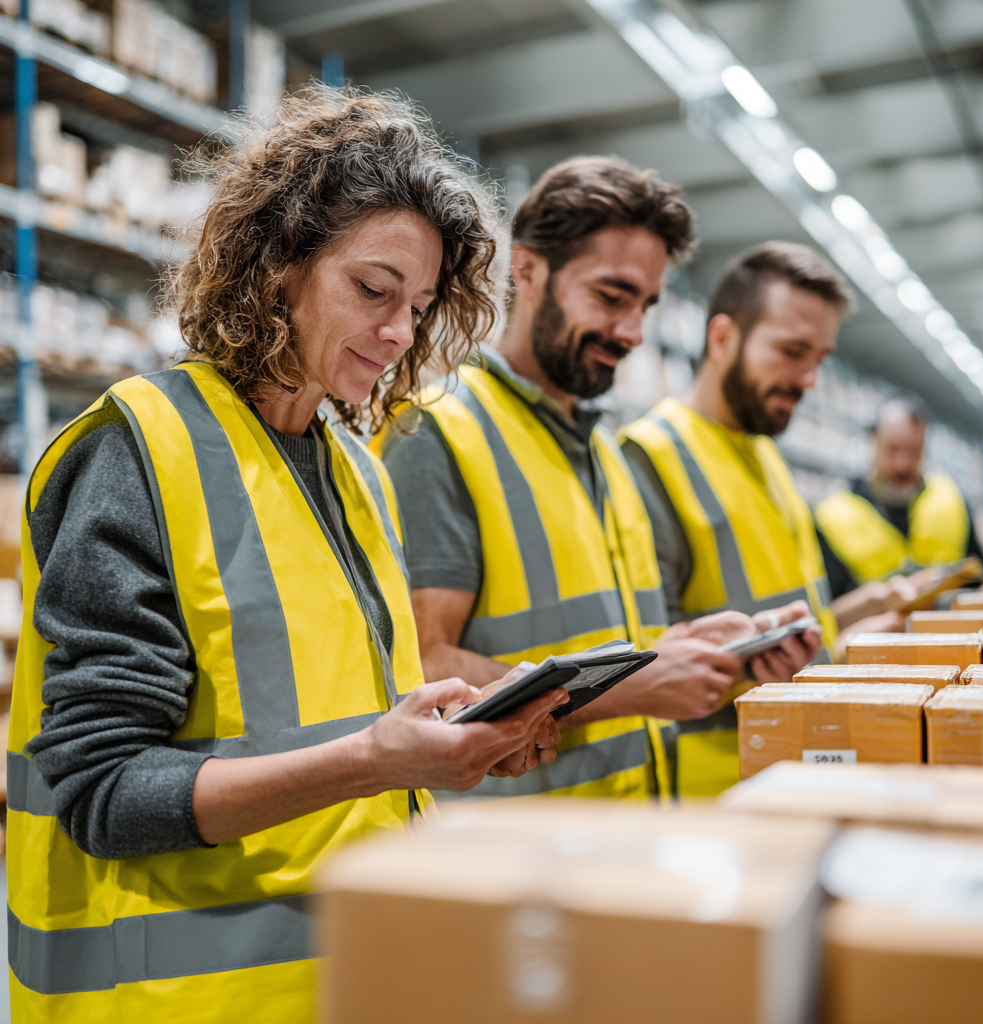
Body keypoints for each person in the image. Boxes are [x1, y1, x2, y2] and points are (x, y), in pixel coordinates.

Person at [6, 88, 569, 1024]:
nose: (397, 334)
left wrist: (434, 730)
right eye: (372, 289)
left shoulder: (355, 470)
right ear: (277, 270)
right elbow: (104, 793)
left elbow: (312, 712)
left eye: (419, 305)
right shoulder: (140, 450)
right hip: (174, 999)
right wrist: (377, 758)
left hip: (342, 977)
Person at [379, 157, 820, 803]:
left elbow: (598, 644)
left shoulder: (606, 450)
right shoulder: (439, 431)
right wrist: (629, 691)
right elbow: (420, 664)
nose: (632, 333)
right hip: (512, 859)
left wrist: (686, 652)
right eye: (610, 298)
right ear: (526, 270)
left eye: (644, 305)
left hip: (622, 834)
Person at [619, 241, 843, 797]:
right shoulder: (651, 455)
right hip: (715, 785)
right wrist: (745, 664)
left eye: (819, 358)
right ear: (722, 338)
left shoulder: (765, 452)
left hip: (796, 761)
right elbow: (646, 656)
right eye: (792, 352)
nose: (808, 378)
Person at [815, 396, 983, 596]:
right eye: (892, 449)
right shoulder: (834, 514)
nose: (903, 464)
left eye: (914, 451)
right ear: (872, 442)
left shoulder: (950, 499)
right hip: (870, 627)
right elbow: (828, 602)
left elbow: (981, 576)